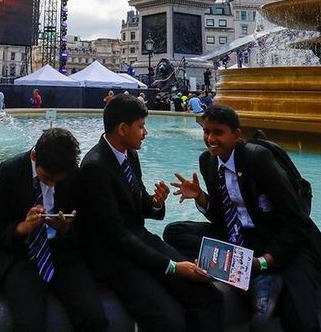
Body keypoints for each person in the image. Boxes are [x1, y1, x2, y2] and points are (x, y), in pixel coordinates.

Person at [166, 105, 321, 332]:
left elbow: (297, 221)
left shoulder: (258, 159)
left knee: (301, 318)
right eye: (206, 131)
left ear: (236, 135)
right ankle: (258, 279)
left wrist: (264, 261)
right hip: (243, 239)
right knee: (175, 233)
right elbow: (223, 217)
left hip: (283, 240)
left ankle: (258, 274)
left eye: (218, 132)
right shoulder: (207, 161)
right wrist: (201, 198)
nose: (210, 138)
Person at [76, 95, 222, 332]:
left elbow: (139, 203)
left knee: (208, 295)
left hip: (139, 241)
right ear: (123, 129)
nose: (145, 133)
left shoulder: (129, 153)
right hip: (115, 260)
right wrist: (172, 266)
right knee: (167, 320)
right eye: (141, 126)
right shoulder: (95, 168)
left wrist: (154, 202)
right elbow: (115, 236)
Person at [0, 128, 107, 332]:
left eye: (57, 180)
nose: (52, 184)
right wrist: (21, 228)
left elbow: (86, 225)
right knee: (30, 324)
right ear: (34, 155)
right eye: (46, 178)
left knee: (93, 318)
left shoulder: (71, 173)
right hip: (21, 254)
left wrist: (66, 229)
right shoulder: (10, 171)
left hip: (62, 252)